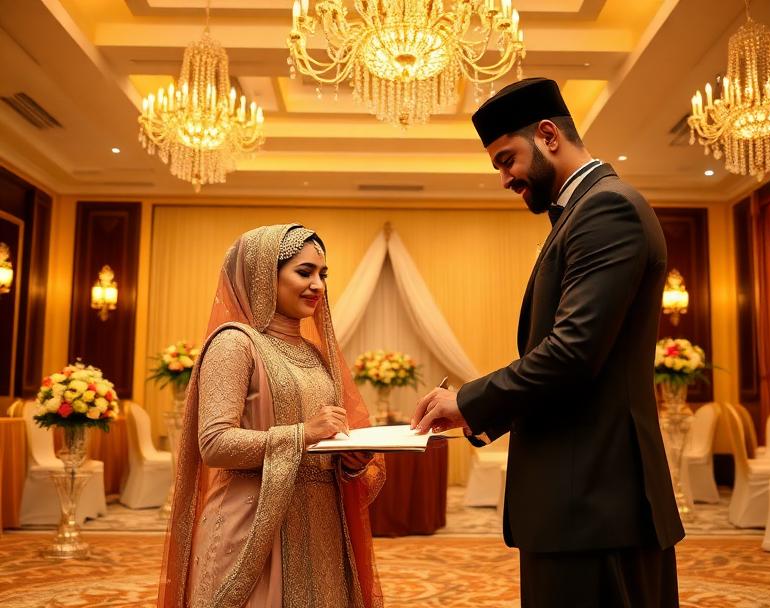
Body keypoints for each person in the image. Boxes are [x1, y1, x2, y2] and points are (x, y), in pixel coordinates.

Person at [411, 78, 684, 607]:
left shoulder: (608, 210)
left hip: (597, 503)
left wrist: (466, 399)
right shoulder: (584, 211)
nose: (504, 178)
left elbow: (571, 353)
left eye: (506, 160)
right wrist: (474, 411)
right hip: (581, 504)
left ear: (547, 134)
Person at [158, 224, 385, 608]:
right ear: (263, 275)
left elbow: (321, 441)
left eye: (322, 274)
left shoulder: (314, 354)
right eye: (304, 271)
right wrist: (301, 434)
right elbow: (214, 445)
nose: (318, 285)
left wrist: (349, 461)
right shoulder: (235, 344)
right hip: (253, 527)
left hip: (321, 528)